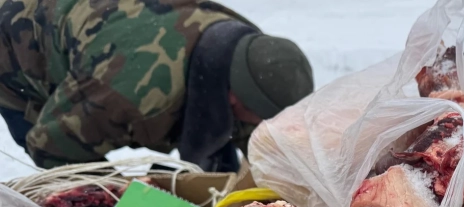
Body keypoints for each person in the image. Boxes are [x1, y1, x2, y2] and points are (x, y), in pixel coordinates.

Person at [0, 0, 313, 172]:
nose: (269, 126)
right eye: (264, 117)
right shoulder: (132, 95)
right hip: (15, 46)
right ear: (233, 98)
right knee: (81, 198)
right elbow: (50, 145)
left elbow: (260, 141)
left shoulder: (246, 50)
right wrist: (117, 200)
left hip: (105, 29)